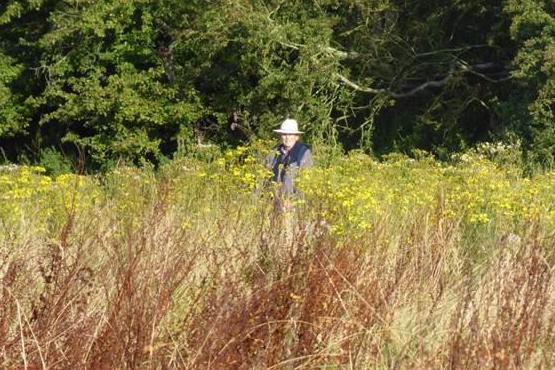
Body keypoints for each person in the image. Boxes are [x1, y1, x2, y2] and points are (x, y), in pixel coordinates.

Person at [267, 118, 313, 197]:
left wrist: (295, 202)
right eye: (284, 134)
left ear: (297, 137)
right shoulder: (273, 153)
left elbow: (306, 182)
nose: (287, 137)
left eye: (290, 134)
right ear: (280, 136)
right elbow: (265, 177)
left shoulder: (304, 153)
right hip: (274, 200)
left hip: (295, 202)